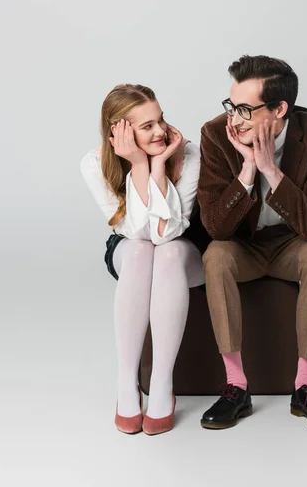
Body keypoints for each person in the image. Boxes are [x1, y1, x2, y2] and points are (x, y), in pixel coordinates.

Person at [197, 55, 307, 430]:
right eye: (231, 106)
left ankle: (305, 387)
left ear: (280, 108)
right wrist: (247, 169)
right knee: (216, 255)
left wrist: (270, 170)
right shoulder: (216, 134)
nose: (235, 118)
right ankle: (235, 387)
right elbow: (215, 226)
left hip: (291, 244)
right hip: (242, 245)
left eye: (245, 109)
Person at [80, 84, 204, 436]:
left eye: (160, 119)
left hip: (183, 252)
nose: (161, 131)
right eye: (146, 126)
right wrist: (138, 165)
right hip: (131, 248)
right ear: (118, 130)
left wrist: (159, 165)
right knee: (138, 251)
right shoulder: (93, 163)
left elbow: (166, 234)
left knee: (164, 253)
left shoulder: (188, 154)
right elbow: (135, 232)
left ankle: (162, 383)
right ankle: (126, 383)